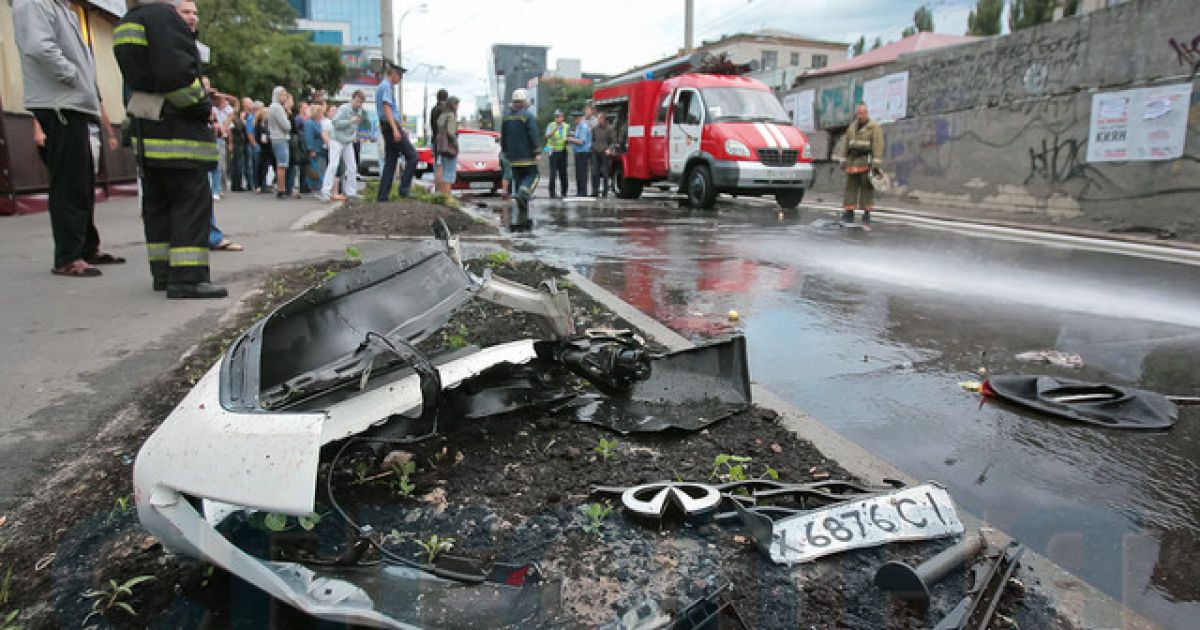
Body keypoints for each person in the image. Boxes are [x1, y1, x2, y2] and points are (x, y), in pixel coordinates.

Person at [114, 0, 227, 298]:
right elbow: (175, 74)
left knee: (157, 206)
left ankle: (163, 273)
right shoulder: (161, 16)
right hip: (177, 134)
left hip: (148, 131)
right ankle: (188, 278)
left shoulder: (129, 21)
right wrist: (202, 106)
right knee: (190, 204)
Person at [14, 0, 125, 278]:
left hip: (73, 102)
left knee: (83, 181)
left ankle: (86, 246)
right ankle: (68, 255)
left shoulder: (62, 8)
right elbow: (39, 47)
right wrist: (73, 77)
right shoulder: (34, 3)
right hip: (59, 102)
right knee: (68, 183)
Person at [375, 63, 418, 201]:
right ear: (392, 73)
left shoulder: (383, 86)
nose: (400, 78)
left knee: (391, 161)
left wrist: (398, 127)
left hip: (387, 125)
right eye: (399, 75)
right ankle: (404, 189)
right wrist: (395, 129)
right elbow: (387, 108)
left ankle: (382, 196)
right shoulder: (386, 86)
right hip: (390, 125)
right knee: (412, 156)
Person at [500, 88, 540, 230]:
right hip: (527, 156)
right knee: (533, 176)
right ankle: (524, 192)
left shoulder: (506, 117)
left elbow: (503, 136)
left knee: (517, 179)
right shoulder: (527, 116)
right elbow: (533, 134)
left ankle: (521, 205)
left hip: (512, 157)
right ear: (524, 102)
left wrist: (505, 151)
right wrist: (537, 150)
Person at [838, 103, 883, 224]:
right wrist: (843, 160)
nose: (861, 115)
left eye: (864, 113)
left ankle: (866, 213)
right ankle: (849, 212)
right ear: (857, 114)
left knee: (866, 188)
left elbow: (877, 146)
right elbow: (846, 145)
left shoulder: (874, 128)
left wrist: (876, 165)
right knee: (850, 188)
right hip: (852, 163)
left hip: (865, 162)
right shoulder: (852, 128)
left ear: (867, 113)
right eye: (859, 113)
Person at [322, 90, 366, 201]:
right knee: (333, 165)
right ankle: (326, 191)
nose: (358, 104)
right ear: (353, 99)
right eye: (357, 101)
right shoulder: (344, 109)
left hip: (348, 141)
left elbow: (355, 126)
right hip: (337, 139)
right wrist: (350, 121)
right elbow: (335, 122)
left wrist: (353, 135)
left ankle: (351, 192)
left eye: (361, 102)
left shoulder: (359, 111)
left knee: (352, 166)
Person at [267, 86, 291, 198]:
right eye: (283, 95)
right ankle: (281, 189)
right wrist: (286, 112)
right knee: (282, 164)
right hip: (280, 137)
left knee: (281, 164)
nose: (285, 97)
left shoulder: (273, 107)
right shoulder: (277, 108)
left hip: (275, 137)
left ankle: (282, 188)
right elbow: (286, 126)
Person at [435, 96, 460, 196]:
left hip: (442, 147)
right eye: (457, 104)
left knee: (444, 171)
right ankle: (448, 195)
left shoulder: (442, 116)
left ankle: (444, 195)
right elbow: (450, 132)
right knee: (449, 173)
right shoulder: (451, 116)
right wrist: (455, 143)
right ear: (453, 105)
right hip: (450, 147)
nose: (458, 107)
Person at [544, 110, 569, 198]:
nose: (557, 118)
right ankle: (552, 193)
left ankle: (564, 192)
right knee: (553, 173)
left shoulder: (566, 126)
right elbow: (546, 137)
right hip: (553, 151)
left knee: (563, 173)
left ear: (563, 118)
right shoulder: (551, 125)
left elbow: (568, 136)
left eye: (559, 116)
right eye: (556, 117)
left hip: (562, 151)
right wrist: (552, 132)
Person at [303, 104, 327, 194]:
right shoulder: (310, 123)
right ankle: (315, 186)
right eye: (320, 112)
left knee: (321, 168)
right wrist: (311, 149)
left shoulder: (320, 123)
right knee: (315, 169)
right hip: (315, 150)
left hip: (322, 149)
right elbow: (308, 137)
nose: (322, 114)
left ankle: (320, 186)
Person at [591, 110, 615, 197]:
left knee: (605, 173)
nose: (598, 120)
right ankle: (595, 191)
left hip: (605, 152)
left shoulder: (609, 128)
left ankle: (605, 192)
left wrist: (609, 149)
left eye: (600, 118)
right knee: (595, 173)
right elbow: (593, 139)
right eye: (598, 118)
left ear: (604, 118)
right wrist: (593, 146)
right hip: (596, 151)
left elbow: (613, 141)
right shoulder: (595, 128)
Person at [568, 111, 591, 197]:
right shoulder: (578, 127)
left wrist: (570, 139)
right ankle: (579, 191)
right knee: (578, 173)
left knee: (582, 173)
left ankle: (583, 192)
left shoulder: (583, 127)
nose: (575, 120)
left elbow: (581, 141)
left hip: (583, 152)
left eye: (576, 118)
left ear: (580, 118)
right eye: (574, 118)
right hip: (578, 152)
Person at [429, 88, 448, 188]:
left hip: (435, 139)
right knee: (444, 165)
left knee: (437, 164)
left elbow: (432, 124)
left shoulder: (433, 109)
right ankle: (443, 189)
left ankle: (437, 187)